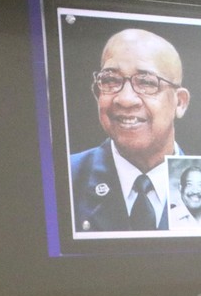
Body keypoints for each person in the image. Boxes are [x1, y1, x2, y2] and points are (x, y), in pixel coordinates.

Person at [69, 28, 191, 232]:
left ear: (180, 103)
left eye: (146, 82)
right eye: (110, 80)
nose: (125, 99)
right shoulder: (63, 178)